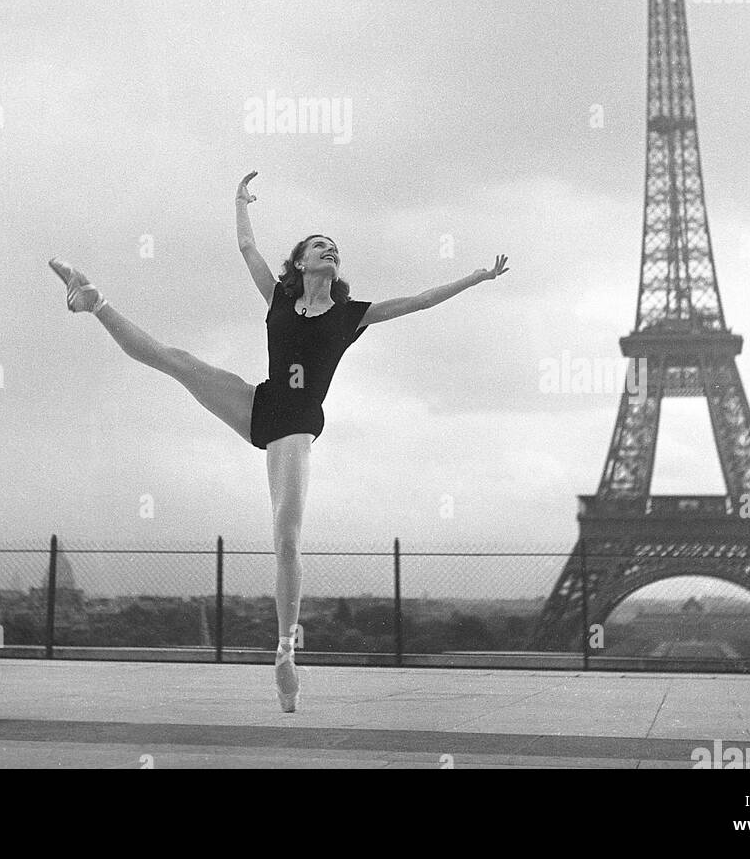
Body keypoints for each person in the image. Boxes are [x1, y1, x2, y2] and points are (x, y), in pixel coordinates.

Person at [50, 171, 508, 711]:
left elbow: (420, 300)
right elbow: (247, 246)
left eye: (334, 248)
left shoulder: (350, 316)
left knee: (285, 539)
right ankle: (95, 301)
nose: (329, 251)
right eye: (319, 246)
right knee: (177, 361)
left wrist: (473, 278)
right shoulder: (277, 299)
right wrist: (239, 201)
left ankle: (285, 652)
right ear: (300, 263)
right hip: (260, 405)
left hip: (295, 427)